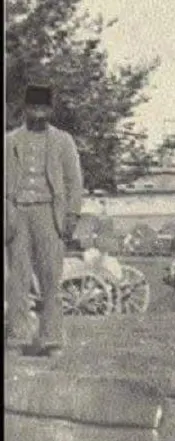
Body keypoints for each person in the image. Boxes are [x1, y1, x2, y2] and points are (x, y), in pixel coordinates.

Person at [4, 84, 83, 358]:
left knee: (51, 278)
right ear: (25, 109)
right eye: (33, 107)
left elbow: (74, 181)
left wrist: (72, 214)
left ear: (50, 110)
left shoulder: (63, 141)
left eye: (43, 108)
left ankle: (52, 339)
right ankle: (17, 338)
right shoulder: (9, 141)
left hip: (50, 213)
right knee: (18, 279)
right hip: (17, 214)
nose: (38, 112)